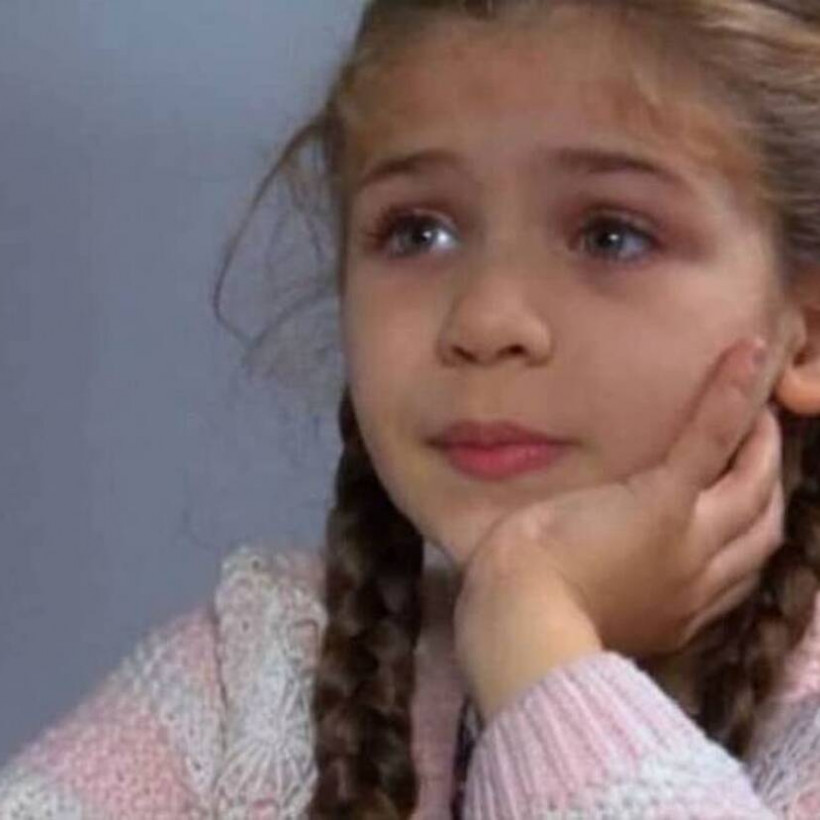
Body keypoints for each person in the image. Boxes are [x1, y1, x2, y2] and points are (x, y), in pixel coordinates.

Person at [3, 0, 820, 816]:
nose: (484, 320)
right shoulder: (250, 678)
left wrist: (532, 637)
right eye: (418, 233)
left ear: (808, 337)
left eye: (612, 235)